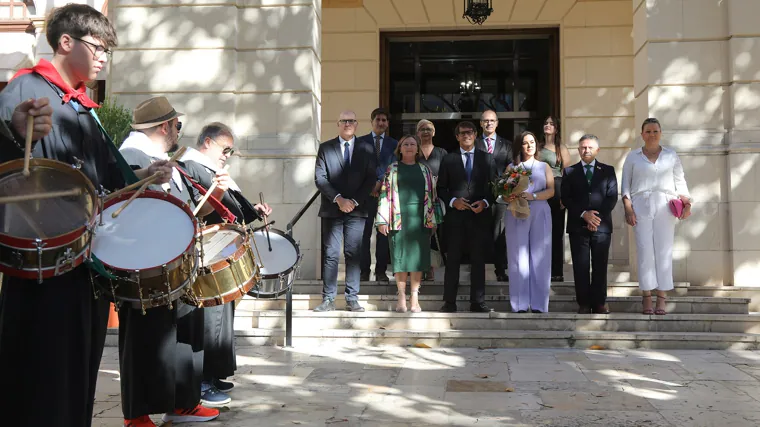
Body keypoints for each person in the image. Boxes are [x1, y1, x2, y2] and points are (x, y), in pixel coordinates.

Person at [0, 5, 171, 426]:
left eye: (107, 51)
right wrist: (11, 131)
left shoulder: (81, 105)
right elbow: (9, 156)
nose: (103, 58)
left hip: (83, 266)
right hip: (43, 270)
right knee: (42, 379)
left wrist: (142, 176)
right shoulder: (25, 91)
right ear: (65, 42)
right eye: (98, 48)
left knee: (77, 376)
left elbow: (110, 179)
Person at [118, 96, 221, 426]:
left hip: (175, 260)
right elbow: (122, 199)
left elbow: (189, 207)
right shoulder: (133, 153)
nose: (179, 131)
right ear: (164, 126)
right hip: (146, 262)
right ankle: (137, 414)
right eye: (177, 125)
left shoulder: (162, 156)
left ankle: (182, 402)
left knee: (182, 334)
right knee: (145, 338)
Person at [181, 121, 272, 405]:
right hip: (208, 254)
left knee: (222, 317)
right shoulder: (190, 165)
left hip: (224, 251)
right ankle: (203, 381)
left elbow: (232, 203)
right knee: (210, 321)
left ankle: (215, 372)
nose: (227, 155)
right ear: (207, 142)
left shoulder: (211, 169)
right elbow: (200, 207)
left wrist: (253, 210)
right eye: (225, 149)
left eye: (231, 151)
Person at [622, 118, 692, 315]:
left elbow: (680, 181)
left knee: (663, 251)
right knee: (645, 251)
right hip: (640, 205)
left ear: (660, 133)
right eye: (648, 131)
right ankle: (646, 297)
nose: (652, 134)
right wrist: (628, 207)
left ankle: (661, 297)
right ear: (642, 134)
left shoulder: (671, 155)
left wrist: (687, 202)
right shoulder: (633, 156)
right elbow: (625, 184)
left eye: (655, 131)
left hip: (665, 206)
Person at [314, 111, 377, 312]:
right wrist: (339, 199)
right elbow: (320, 178)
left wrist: (355, 201)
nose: (348, 124)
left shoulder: (367, 148)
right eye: (344, 121)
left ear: (356, 124)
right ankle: (328, 299)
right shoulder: (326, 148)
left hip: (357, 211)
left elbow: (370, 179)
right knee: (331, 254)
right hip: (332, 209)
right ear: (338, 124)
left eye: (351, 120)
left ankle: (352, 298)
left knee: (353, 253)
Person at [376, 135, 442, 313]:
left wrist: (433, 219)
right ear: (400, 148)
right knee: (399, 257)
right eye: (405, 144)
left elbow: (433, 196)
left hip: (420, 219)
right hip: (397, 218)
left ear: (418, 149)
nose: (409, 147)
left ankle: (414, 297)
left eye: (413, 144)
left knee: (417, 259)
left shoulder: (425, 169)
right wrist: (382, 219)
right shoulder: (392, 169)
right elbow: (384, 193)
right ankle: (400, 296)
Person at [437, 121, 496, 313]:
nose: (466, 136)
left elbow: (495, 188)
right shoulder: (449, 159)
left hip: (479, 217)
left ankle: (477, 302)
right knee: (452, 260)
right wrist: (453, 201)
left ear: (475, 134)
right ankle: (449, 302)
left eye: (470, 132)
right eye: (462, 133)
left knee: (478, 260)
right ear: (457, 137)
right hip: (456, 218)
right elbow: (441, 188)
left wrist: (485, 203)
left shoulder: (487, 158)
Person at [561, 134, 618, 314]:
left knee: (600, 266)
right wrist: (584, 214)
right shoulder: (569, 172)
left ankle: (600, 303)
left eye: (590, 147)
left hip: (601, 226)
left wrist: (595, 218)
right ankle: (584, 303)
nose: (586, 150)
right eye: (583, 147)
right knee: (581, 266)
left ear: (597, 150)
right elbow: (566, 198)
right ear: (578, 150)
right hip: (578, 226)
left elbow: (612, 197)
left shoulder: (608, 170)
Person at [504, 131, 555, 313]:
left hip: (540, 210)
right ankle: (520, 304)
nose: (529, 145)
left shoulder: (544, 166)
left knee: (540, 257)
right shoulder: (512, 167)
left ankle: (540, 304)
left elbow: (551, 191)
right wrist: (511, 195)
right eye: (525, 143)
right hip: (517, 212)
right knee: (518, 257)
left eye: (532, 142)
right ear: (520, 146)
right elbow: (503, 191)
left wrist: (533, 195)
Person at [359, 108, 398, 282]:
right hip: (365, 196)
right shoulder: (359, 142)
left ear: (388, 123)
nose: (381, 123)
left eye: (384, 120)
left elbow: (394, 167)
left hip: (385, 196)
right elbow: (357, 168)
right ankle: (363, 271)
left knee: (383, 235)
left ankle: (381, 271)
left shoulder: (394, 144)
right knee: (363, 234)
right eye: (378, 119)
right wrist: (369, 185)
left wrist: (380, 182)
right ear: (372, 120)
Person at [476, 110, 511, 282]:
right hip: (480, 195)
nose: (489, 123)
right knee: (480, 234)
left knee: (500, 235)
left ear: (497, 123)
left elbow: (513, 167)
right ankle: (478, 269)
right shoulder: (474, 144)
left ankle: (500, 269)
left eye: (492, 121)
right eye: (485, 121)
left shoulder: (507, 145)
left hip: (502, 197)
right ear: (480, 124)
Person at [539, 116, 572, 282]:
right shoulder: (537, 147)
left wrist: (565, 196)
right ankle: (541, 269)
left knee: (556, 231)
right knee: (541, 232)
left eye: (551, 123)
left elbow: (567, 173)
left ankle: (556, 272)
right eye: (546, 123)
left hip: (558, 189)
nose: (548, 125)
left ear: (557, 128)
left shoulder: (561, 148)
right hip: (541, 189)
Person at [416, 119, 447, 281]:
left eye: (429, 129)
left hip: (436, 199)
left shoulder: (442, 153)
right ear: (417, 133)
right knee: (419, 235)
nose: (426, 132)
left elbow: (448, 175)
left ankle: (431, 269)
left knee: (434, 234)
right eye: (422, 129)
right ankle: (420, 268)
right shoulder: (413, 151)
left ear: (434, 132)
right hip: (416, 200)